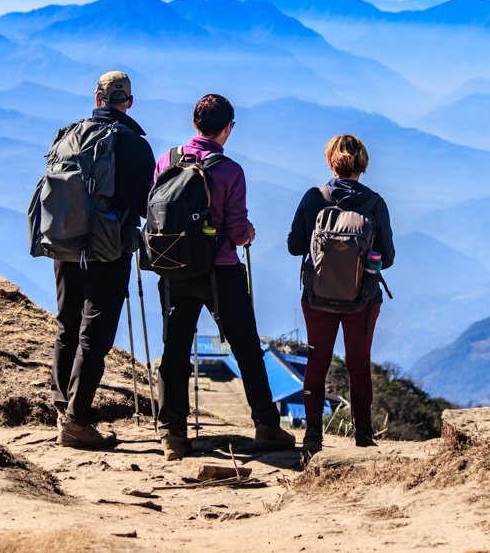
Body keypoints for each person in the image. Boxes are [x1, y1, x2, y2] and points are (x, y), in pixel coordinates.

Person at [155, 93, 296, 460]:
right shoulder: (230, 170)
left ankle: (172, 433)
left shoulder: (165, 161)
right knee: (247, 348)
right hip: (221, 271)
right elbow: (235, 232)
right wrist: (248, 233)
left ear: (194, 123)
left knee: (174, 350)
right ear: (228, 128)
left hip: (174, 269)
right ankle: (266, 426)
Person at [52, 71, 156, 448]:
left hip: (64, 244)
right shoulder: (134, 145)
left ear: (96, 98)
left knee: (67, 323)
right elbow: (146, 203)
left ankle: (63, 409)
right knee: (95, 334)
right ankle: (77, 422)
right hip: (108, 249)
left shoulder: (69, 134)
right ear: (128, 102)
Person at [286, 135, 395, 453]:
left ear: (330, 161)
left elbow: (295, 248)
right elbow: (387, 257)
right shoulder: (375, 203)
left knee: (317, 360)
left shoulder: (313, 197)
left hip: (317, 297)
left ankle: (312, 436)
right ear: (363, 163)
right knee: (358, 362)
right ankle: (363, 434)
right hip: (362, 298)